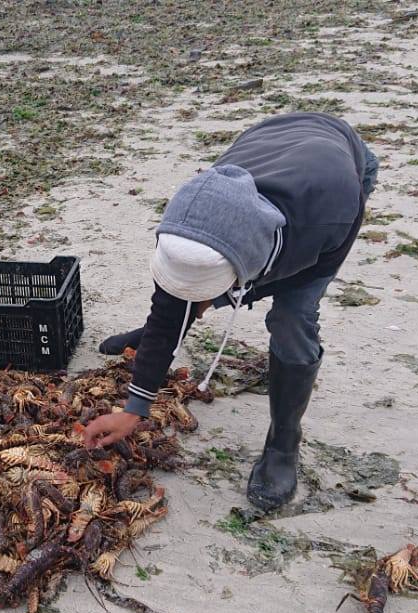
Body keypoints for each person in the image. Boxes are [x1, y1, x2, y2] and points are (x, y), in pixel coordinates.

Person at [82, 112, 379, 512]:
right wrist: (134, 408)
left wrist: (221, 296)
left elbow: (285, 281)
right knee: (176, 304)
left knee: (292, 318)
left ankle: (283, 444)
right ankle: (160, 331)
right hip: (267, 140)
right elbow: (179, 285)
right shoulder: (192, 215)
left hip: (338, 170)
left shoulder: (331, 214)